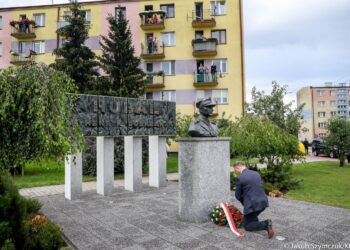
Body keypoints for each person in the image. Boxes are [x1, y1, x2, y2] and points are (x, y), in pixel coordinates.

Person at [233, 162, 275, 239]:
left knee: (248, 226)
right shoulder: (256, 173)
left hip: (252, 205)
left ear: (237, 168)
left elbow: (237, 195)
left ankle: (266, 224)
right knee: (251, 217)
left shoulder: (240, 178)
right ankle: (257, 222)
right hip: (263, 202)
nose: (236, 172)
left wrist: (245, 203)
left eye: (235, 170)